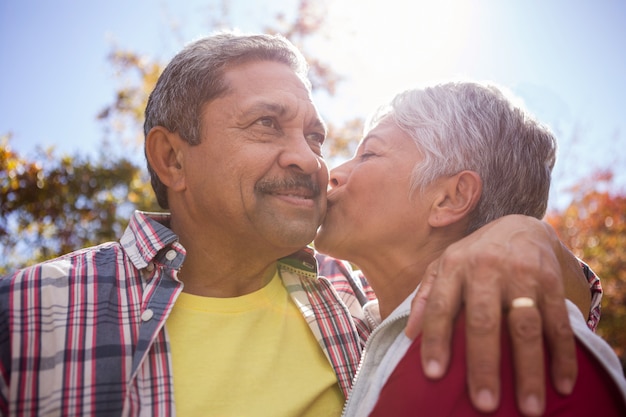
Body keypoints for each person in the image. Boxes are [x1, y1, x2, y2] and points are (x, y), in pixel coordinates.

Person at [0, 32, 597, 416]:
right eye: (266, 124)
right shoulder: (29, 313)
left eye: (316, 136)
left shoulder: (358, 302)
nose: (313, 161)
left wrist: (532, 236)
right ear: (172, 158)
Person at [314, 81, 626, 416]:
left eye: (369, 154)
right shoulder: (342, 301)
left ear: (451, 197)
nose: (334, 173)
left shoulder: (510, 347)